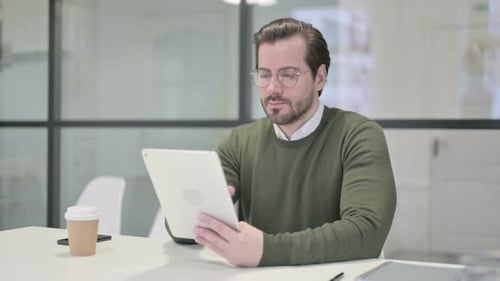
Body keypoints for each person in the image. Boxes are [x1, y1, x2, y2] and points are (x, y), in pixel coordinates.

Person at [194, 17, 396, 267]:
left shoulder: (357, 135)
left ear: (320, 77)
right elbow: (189, 226)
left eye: (288, 75)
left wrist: (267, 250)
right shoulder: (241, 141)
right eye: (264, 75)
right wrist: (195, 210)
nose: (272, 88)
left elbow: (367, 232)